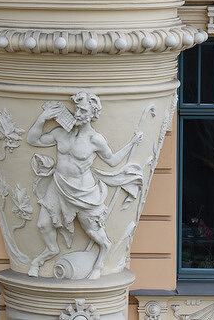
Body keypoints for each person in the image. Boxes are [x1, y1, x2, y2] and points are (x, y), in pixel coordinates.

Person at [26, 91, 144, 279]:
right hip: (58, 186)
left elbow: (112, 161)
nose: (77, 114)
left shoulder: (95, 139)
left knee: (94, 233)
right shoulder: (60, 132)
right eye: (77, 110)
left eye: (82, 111)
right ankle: (49, 252)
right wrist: (42, 118)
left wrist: (131, 144)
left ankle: (99, 263)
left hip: (84, 192)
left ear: (92, 114)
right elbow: (33, 140)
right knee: (43, 224)